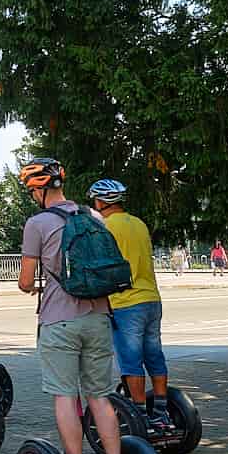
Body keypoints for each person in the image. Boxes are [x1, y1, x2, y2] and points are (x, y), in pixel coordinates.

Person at [17, 158, 128, 454]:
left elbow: (24, 281)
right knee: (100, 398)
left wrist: (34, 286)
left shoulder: (37, 223)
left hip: (59, 320)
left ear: (38, 189)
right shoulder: (93, 217)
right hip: (98, 316)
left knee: (66, 397)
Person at [91, 179, 170, 430]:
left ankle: (139, 416)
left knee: (131, 360)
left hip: (125, 302)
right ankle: (161, 411)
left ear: (101, 202)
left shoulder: (103, 226)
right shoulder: (139, 223)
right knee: (154, 356)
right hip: (151, 299)